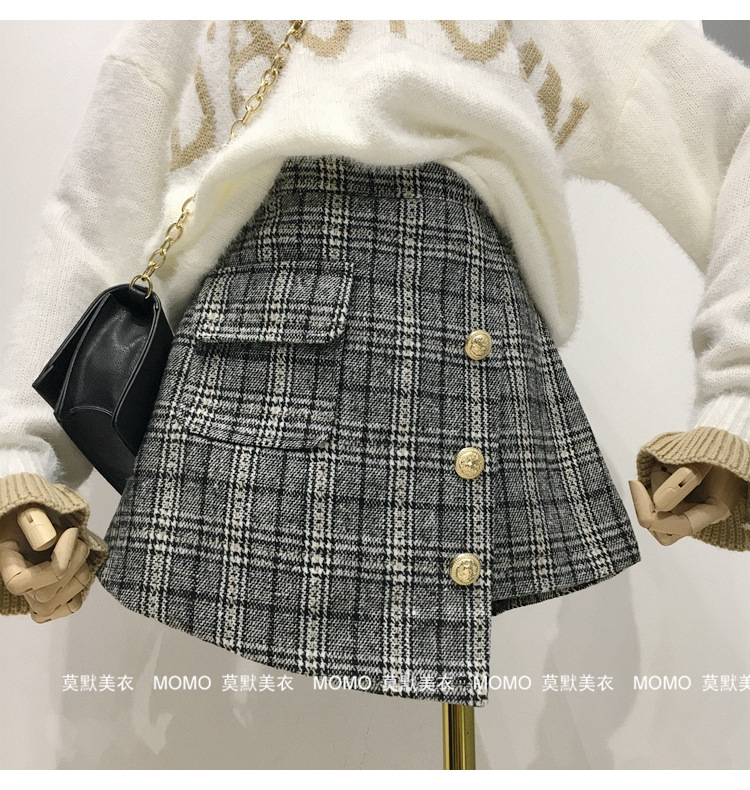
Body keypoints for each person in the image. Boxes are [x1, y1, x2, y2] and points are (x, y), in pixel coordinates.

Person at [1, 20, 748, 703]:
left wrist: (734, 401)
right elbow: (95, 215)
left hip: (469, 355)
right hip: (250, 386)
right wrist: (20, 460)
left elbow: (732, 127)